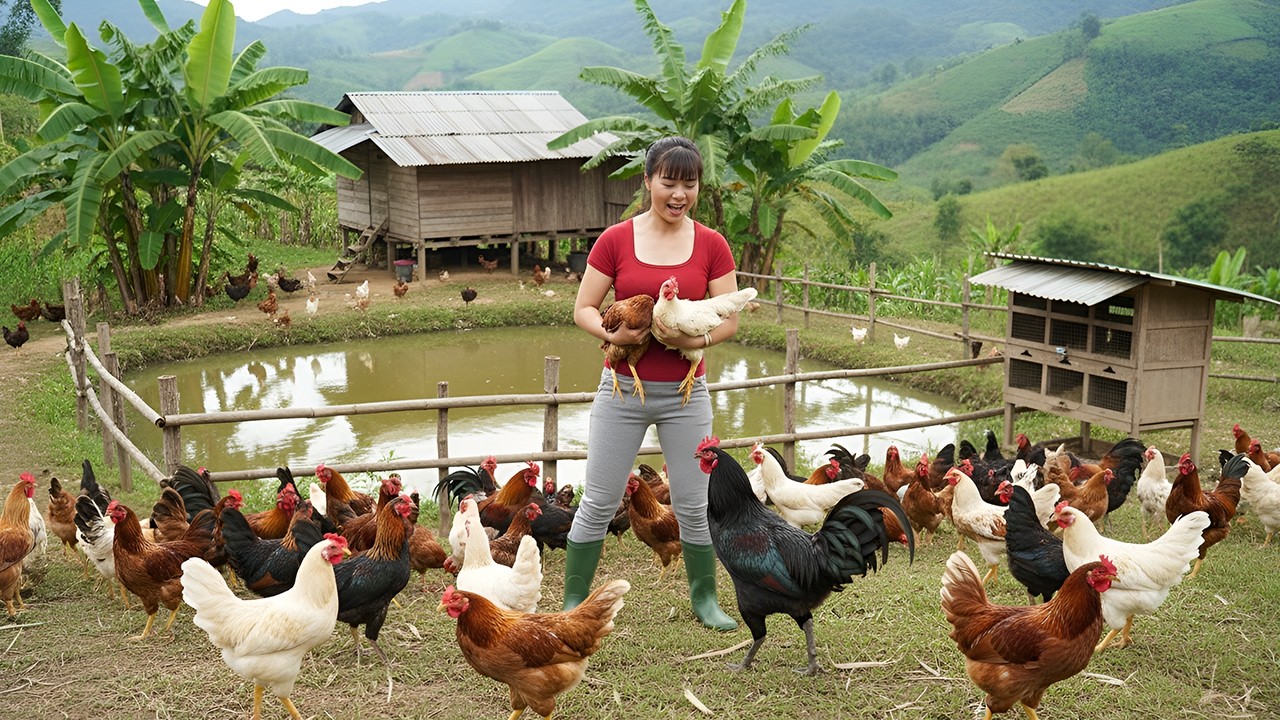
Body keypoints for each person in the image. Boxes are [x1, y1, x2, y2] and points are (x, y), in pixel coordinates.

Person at [562, 136, 742, 631]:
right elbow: (582, 309)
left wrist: (696, 341)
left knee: (692, 501)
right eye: (669, 181)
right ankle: (572, 601)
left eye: (690, 183)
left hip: (687, 393)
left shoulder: (711, 244)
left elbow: (729, 319)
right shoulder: (615, 240)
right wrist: (615, 332)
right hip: (621, 390)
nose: (679, 193)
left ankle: (704, 598)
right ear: (648, 181)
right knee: (598, 499)